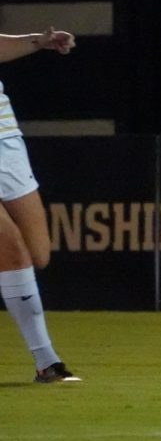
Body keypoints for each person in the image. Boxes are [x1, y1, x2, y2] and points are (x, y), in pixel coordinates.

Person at [0, 27, 81, 382]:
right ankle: (48, 363)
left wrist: (39, 41)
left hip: (6, 141)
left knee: (38, 253)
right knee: (13, 251)